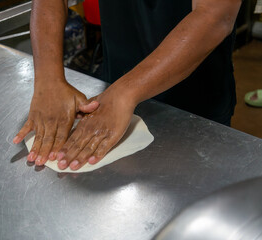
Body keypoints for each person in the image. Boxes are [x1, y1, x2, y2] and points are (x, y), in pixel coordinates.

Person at [13, 0, 242, 171]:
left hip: (195, 106)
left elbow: (214, 16)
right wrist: (49, 79)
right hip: (112, 88)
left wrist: (125, 93)